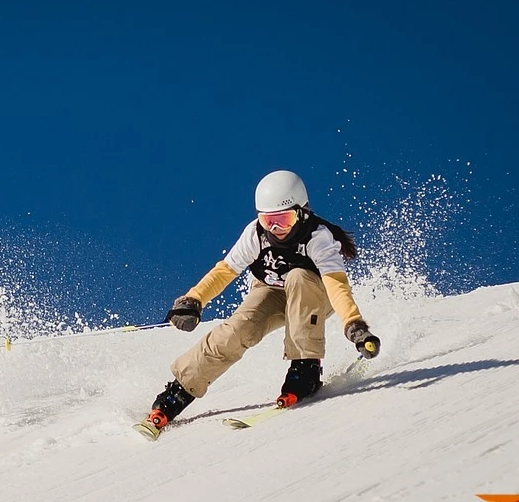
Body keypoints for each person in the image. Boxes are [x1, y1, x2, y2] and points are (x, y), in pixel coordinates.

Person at [141, 169, 380, 436]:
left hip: (314, 297)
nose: (276, 229)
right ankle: (180, 390)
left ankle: (306, 366)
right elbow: (225, 271)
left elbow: (336, 285)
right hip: (271, 292)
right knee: (237, 329)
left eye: (284, 220)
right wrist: (194, 299)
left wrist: (353, 324)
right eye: (269, 221)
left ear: (302, 212)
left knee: (299, 276)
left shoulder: (318, 238)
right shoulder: (255, 235)